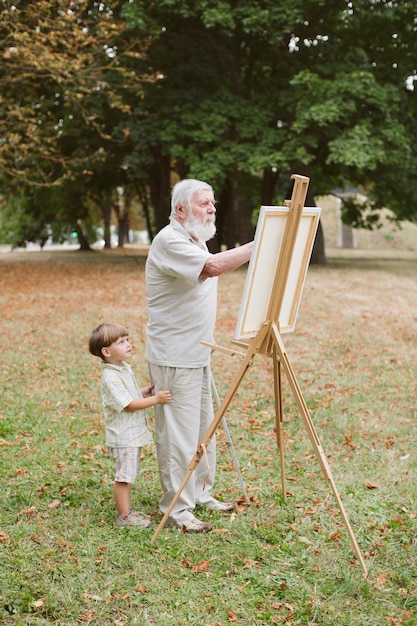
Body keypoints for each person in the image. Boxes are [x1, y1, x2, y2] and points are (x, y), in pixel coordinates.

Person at [145, 178, 253, 533]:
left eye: (213, 203)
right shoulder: (169, 240)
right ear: (180, 210)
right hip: (175, 354)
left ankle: (201, 494)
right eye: (204, 204)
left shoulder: (195, 240)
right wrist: (263, 244)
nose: (212, 209)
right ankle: (177, 509)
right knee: (179, 434)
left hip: (198, 352)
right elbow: (212, 268)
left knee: (204, 429)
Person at [89, 322, 171, 528]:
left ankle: (127, 512)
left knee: (128, 474)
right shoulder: (110, 377)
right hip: (124, 437)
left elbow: (131, 397)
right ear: (106, 351)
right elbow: (129, 405)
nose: (128, 344)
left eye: (127, 339)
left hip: (131, 436)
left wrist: (143, 393)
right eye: (121, 342)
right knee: (124, 478)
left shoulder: (123, 368)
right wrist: (156, 399)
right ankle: (124, 516)